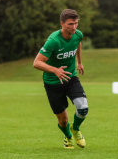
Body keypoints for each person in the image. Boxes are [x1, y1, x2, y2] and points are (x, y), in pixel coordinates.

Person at [33, 9, 88, 149]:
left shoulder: (77, 34)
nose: (74, 27)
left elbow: (78, 43)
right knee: (63, 121)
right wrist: (55, 70)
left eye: (76, 23)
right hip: (53, 83)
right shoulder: (53, 41)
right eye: (70, 24)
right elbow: (37, 63)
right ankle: (68, 136)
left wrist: (79, 62)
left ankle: (75, 129)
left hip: (70, 78)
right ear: (62, 23)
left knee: (83, 108)